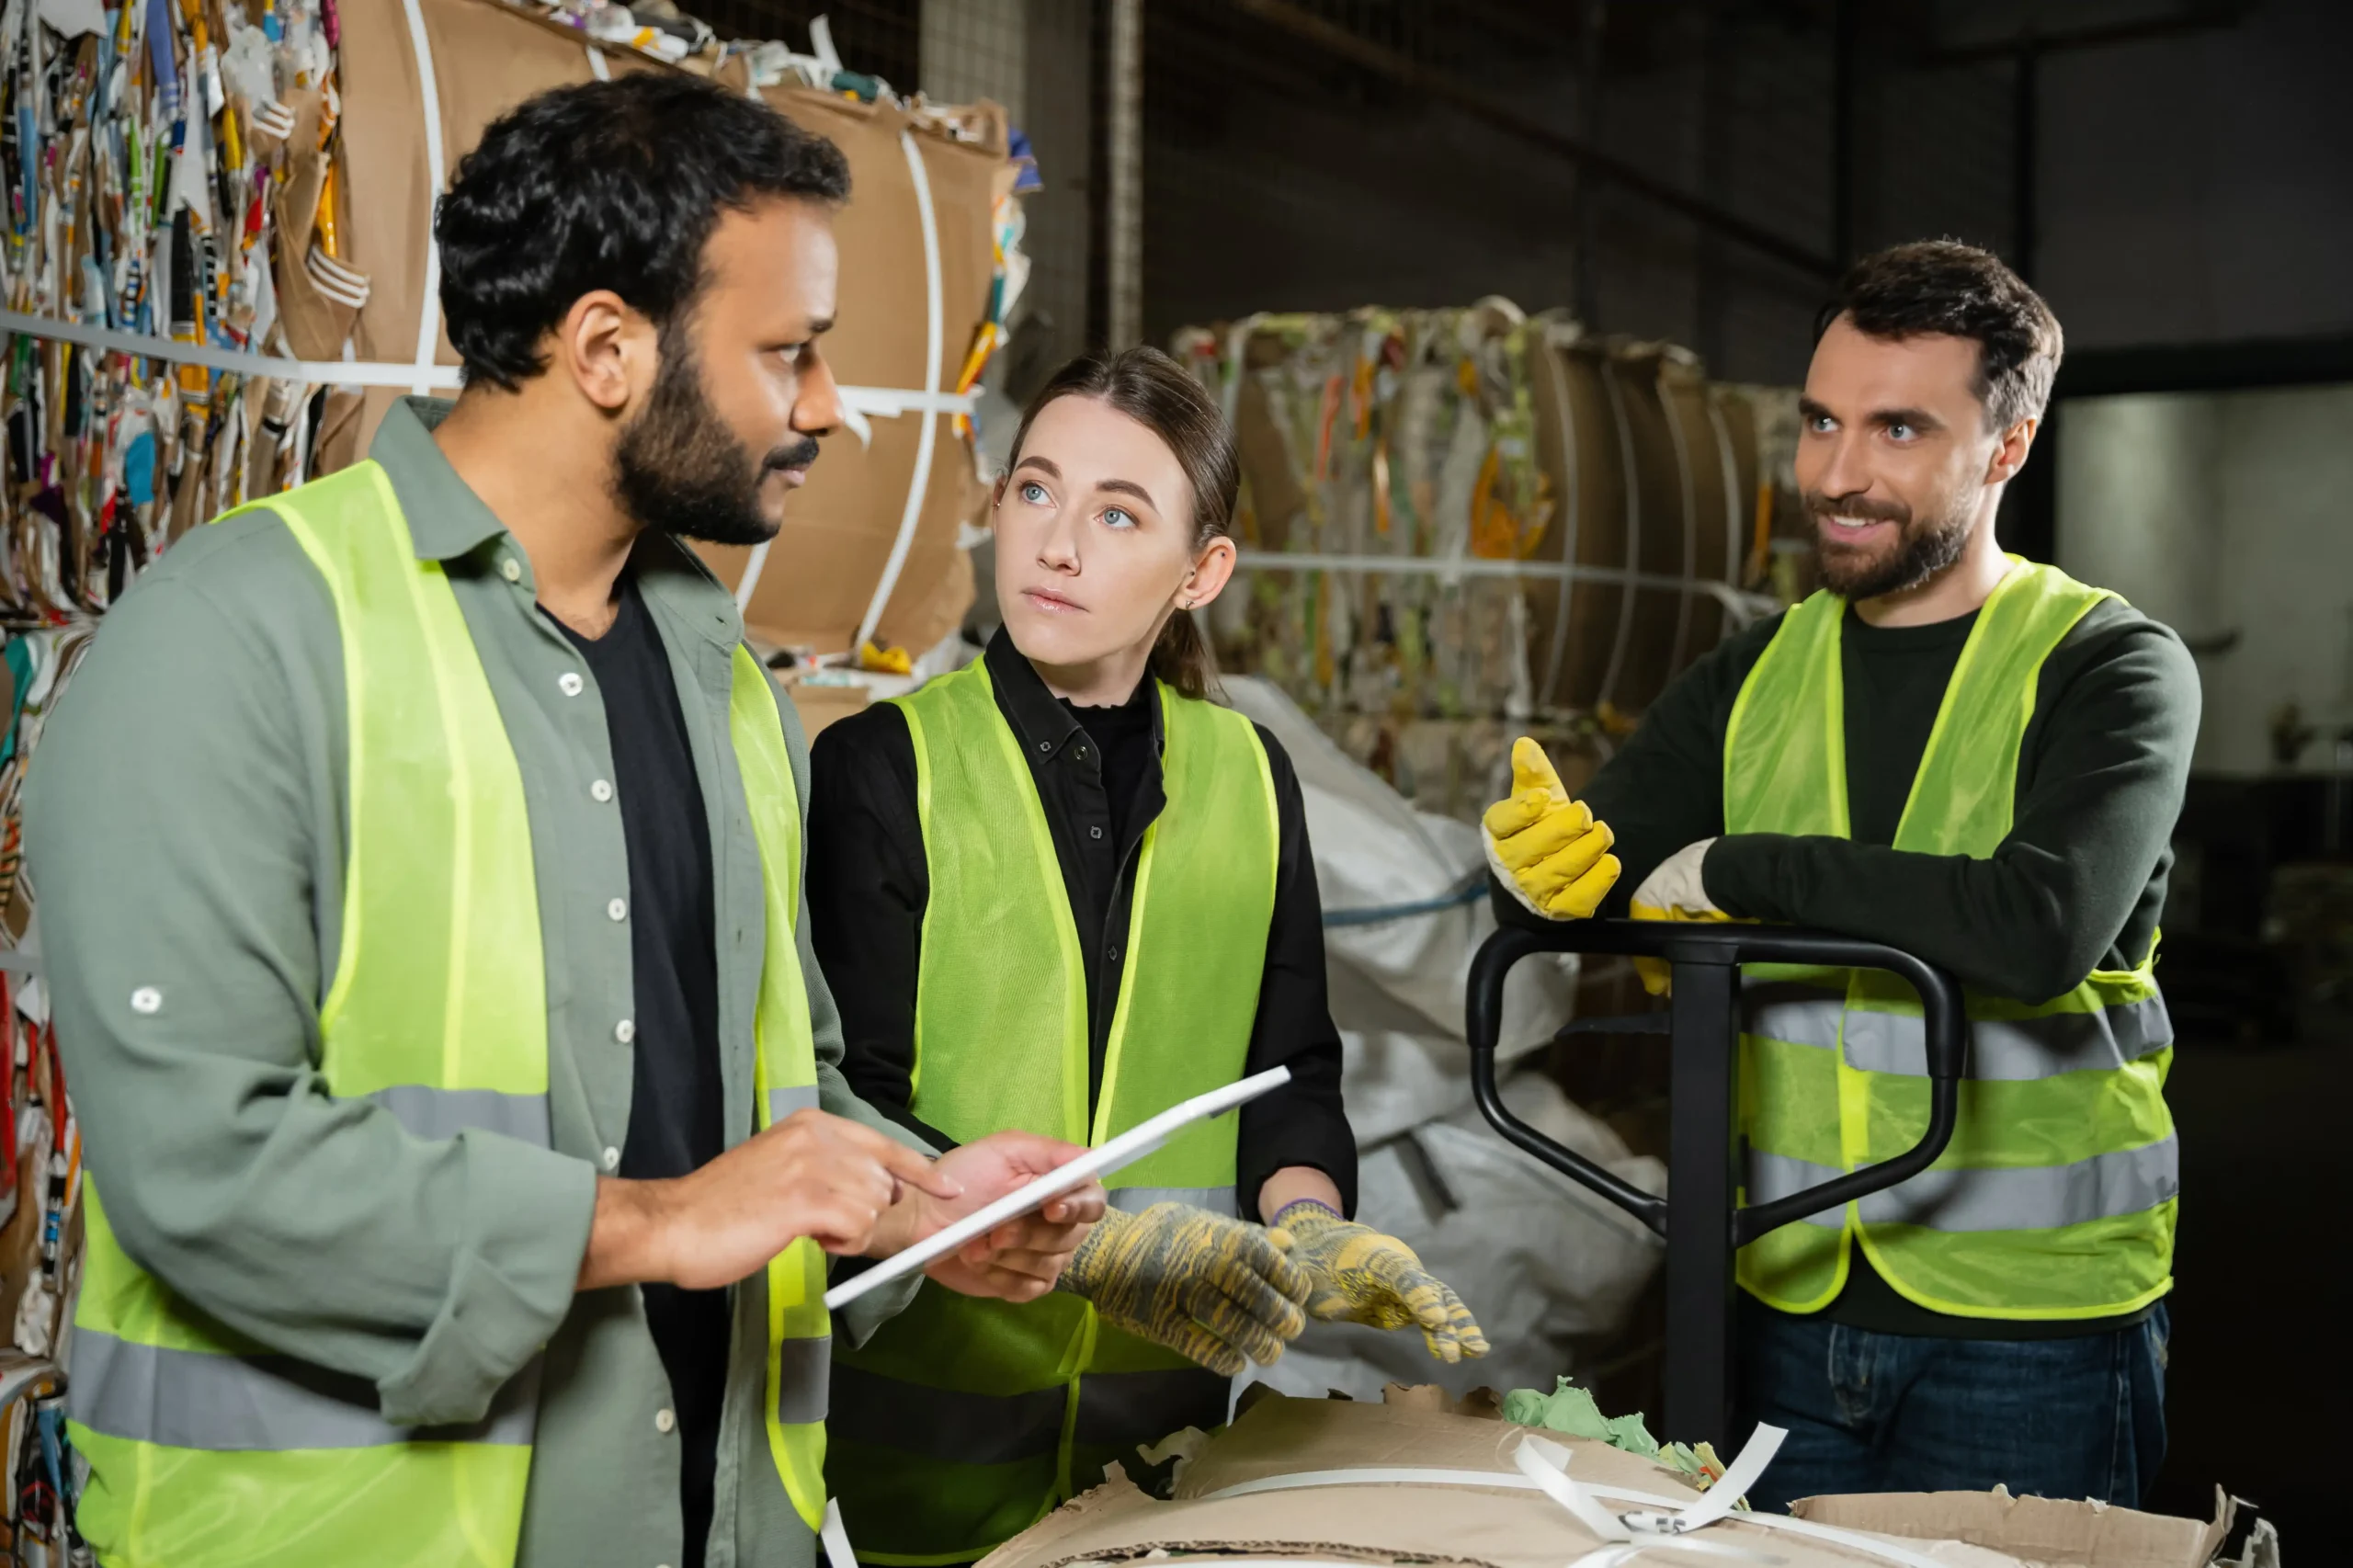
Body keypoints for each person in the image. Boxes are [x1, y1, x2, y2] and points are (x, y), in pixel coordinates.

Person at [27, 75, 1107, 1568]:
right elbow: (208, 1163)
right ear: (607, 348)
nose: (829, 411)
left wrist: (922, 1202)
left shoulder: (726, 678)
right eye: (788, 354)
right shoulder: (237, 641)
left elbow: (748, 1094)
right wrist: (661, 1224)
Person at [1482, 242, 2196, 1510]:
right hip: (1788, 1296)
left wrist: (1742, 869)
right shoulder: (1750, 677)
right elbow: (1598, 873)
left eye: (1898, 429)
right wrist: (1529, 869)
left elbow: (2036, 927)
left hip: (2030, 1325)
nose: (1837, 474)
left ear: (2008, 446)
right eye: (1821, 420)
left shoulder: (2111, 669)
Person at [804, 347, 1489, 1564]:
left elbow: (1292, 1077)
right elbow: (850, 1102)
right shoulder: (885, 766)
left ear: (1201, 571)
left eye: (1119, 513)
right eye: (1034, 491)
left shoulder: (1250, 780)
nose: (1055, 543)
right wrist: (1095, 1247)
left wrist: (1313, 1224)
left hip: (1164, 1466)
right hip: (915, 1476)